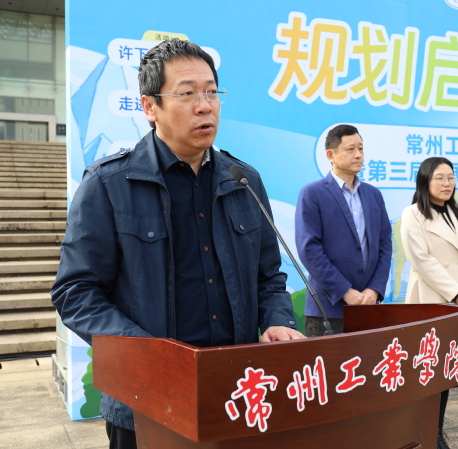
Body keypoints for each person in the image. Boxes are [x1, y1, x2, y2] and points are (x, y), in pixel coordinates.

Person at [50, 39, 303, 449]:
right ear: (150, 107)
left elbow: (268, 277)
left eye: (211, 92)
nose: (205, 106)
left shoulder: (244, 181)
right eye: (187, 94)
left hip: (236, 392)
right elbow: (75, 292)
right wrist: (148, 352)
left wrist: (278, 320)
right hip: (146, 401)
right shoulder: (109, 184)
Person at [400, 157, 458, 449]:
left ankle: (436, 432)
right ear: (425, 181)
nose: (447, 183)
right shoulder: (413, 214)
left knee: (446, 372)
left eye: (450, 177)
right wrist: (455, 292)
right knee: (427, 372)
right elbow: (421, 260)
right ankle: (422, 434)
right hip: (430, 300)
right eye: (439, 178)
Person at [295, 124, 392, 336]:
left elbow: (385, 245)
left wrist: (374, 289)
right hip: (327, 311)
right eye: (351, 149)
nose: (358, 155)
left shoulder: (373, 195)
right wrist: (344, 291)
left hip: (367, 307)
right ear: (331, 155)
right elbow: (309, 249)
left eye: (361, 148)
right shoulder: (313, 193)